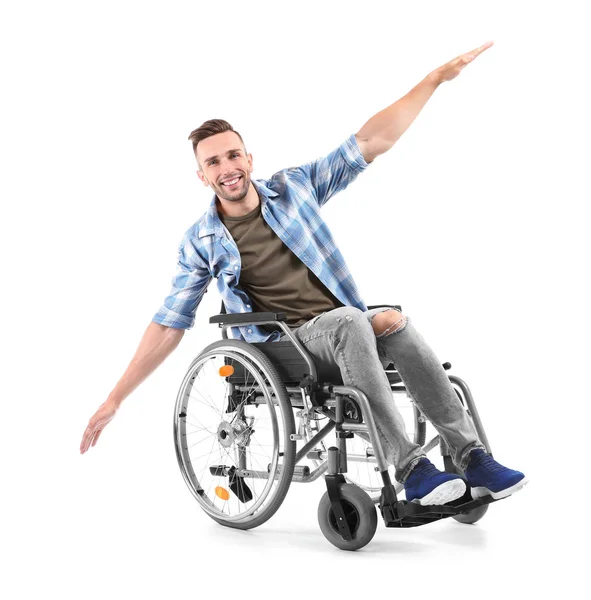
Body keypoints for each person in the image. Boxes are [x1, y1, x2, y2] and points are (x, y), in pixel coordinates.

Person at [80, 41, 527, 506]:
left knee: (390, 318)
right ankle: (412, 468)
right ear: (202, 176)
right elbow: (170, 323)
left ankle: (471, 456)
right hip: (282, 346)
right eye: (213, 162)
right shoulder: (201, 240)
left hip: (340, 329)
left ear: (249, 159)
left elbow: (370, 142)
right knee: (353, 320)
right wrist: (116, 398)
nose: (227, 168)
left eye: (233, 156)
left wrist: (433, 80)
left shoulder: (293, 188)